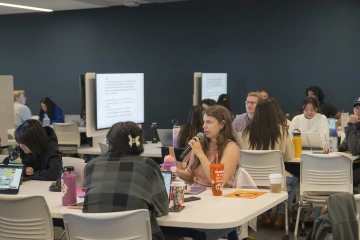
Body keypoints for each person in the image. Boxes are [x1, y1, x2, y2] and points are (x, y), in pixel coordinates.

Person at [83, 122, 169, 240]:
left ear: (109, 143)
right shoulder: (149, 166)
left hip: (95, 235)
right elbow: (163, 209)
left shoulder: (91, 166)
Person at [238, 99, 296, 230]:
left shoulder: (246, 131)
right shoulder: (281, 130)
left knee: (264, 185)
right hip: (275, 181)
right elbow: (288, 156)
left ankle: (264, 215)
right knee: (294, 181)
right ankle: (281, 215)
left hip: (251, 180)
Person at [339, 97, 360, 183]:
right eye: (356, 108)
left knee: (342, 178)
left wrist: (350, 125)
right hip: (355, 163)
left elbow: (355, 150)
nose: (358, 110)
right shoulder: (356, 125)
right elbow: (344, 145)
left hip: (357, 165)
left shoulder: (353, 125)